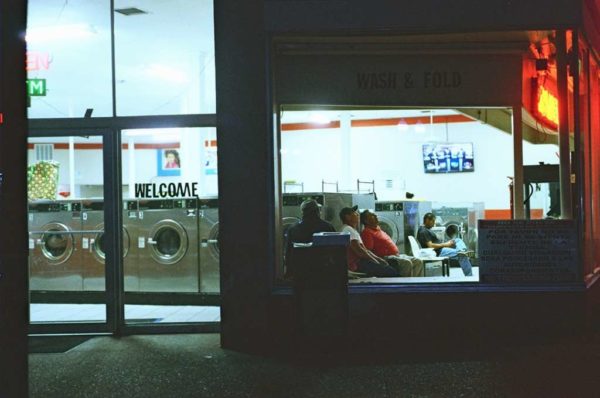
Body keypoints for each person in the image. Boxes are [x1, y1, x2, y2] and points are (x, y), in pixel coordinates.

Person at [360, 209, 424, 277]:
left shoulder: (378, 229)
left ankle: (414, 283)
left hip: (396, 255)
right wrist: (379, 259)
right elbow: (368, 250)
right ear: (366, 221)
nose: (376, 215)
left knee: (418, 261)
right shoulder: (367, 232)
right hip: (386, 257)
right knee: (406, 263)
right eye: (372, 215)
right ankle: (404, 285)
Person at [339, 206, 399, 277]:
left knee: (393, 264)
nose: (358, 215)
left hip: (361, 262)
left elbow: (365, 250)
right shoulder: (348, 229)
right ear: (348, 217)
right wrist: (375, 261)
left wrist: (379, 259)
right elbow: (360, 251)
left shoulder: (352, 230)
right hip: (356, 264)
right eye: (354, 213)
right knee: (390, 272)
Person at [284, 199, 336, 278]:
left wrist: (289, 272)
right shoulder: (327, 226)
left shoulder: (293, 228)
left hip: (300, 271)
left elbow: (289, 252)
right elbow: (335, 250)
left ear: (302, 212)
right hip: (322, 271)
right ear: (318, 211)